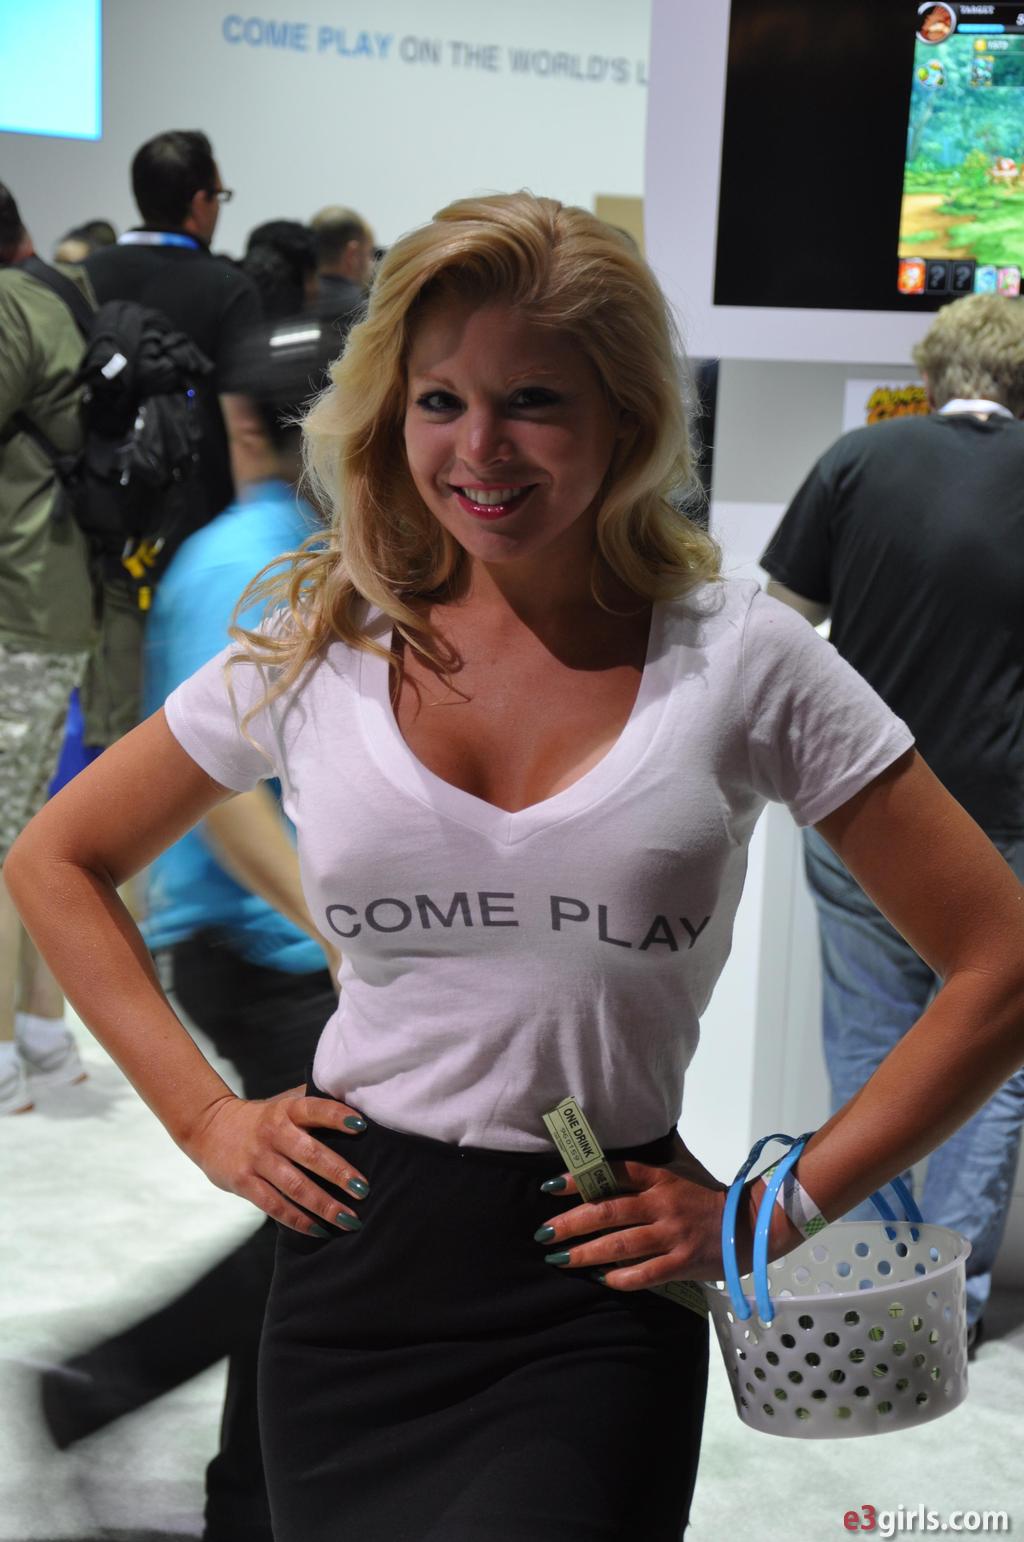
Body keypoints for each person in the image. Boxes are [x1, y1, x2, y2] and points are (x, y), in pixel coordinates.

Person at [5, 193, 1024, 1542]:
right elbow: (59, 856)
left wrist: (779, 1207)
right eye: (440, 401)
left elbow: (1000, 960)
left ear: (626, 416)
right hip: (350, 1272)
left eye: (532, 400)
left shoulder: (739, 658)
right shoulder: (323, 640)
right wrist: (206, 1119)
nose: (478, 448)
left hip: (593, 1281)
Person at [40, 317, 341, 1542]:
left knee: (321, 1224)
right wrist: (345, 932)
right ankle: (127, 1400)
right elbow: (221, 799)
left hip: (283, 948)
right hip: (264, 955)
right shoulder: (243, 570)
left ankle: (227, 1486)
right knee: (332, 1216)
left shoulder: (307, 551)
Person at [760, 291, 1024, 1352]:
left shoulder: (856, 460)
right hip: (1008, 816)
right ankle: (948, 1309)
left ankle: (875, 1289)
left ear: (931, 372)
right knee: (994, 1058)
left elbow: (779, 627)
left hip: (865, 812)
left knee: (869, 1050)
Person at [82, 130, 261, 747]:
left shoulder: (86, 278)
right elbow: (243, 415)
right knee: (198, 714)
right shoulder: (230, 286)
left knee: (109, 702)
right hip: (197, 521)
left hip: (100, 520)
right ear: (199, 201)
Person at [0, 181, 94, 1116]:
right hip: (60, 595)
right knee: (31, 824)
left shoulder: (7, 307)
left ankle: (3, 1056)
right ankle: (41, 1034)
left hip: (16, 600)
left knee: (7, 834)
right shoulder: (63, 295)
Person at [308, 203, 373, 335]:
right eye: (369, 253)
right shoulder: (368, 315)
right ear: (351, 255)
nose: (371, 262)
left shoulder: (289, 308)